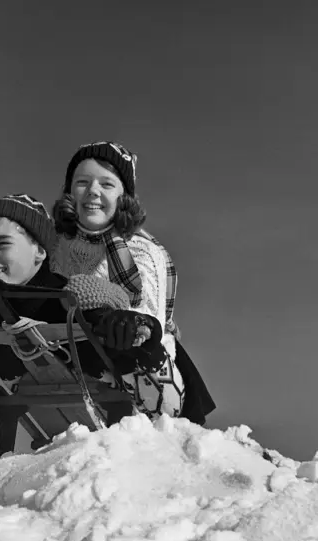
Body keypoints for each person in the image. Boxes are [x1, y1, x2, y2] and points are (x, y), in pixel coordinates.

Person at [0, 193, 180, 450]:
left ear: (40, 251)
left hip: (122, 460)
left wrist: (145, 339)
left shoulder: (83, 305)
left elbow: (169, 412)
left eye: (2, 244)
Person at [51, 141, 215, 424]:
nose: (93, 191)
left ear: (123, 196)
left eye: (107, 184)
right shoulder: (57, 247)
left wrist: (127, 321)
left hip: (133, 354)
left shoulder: (139, 250)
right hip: (75, 350)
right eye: (82, 182)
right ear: (69, 192)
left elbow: (147, 314)